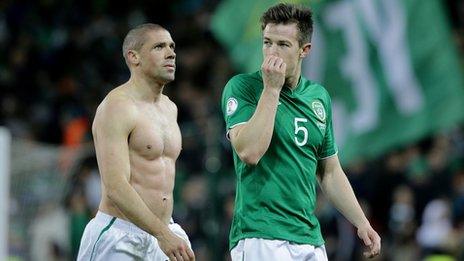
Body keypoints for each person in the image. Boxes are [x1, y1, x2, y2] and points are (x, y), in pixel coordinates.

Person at [221, 4, 381, 260]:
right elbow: (249, 152)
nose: (271, 52)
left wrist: (361, 222)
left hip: (309, 237)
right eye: (267, 42)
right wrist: (271, 90)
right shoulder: (243, 88)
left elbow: (329, 170)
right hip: (260, 234)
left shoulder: (318, 98)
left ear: (304, 50)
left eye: (283, 45)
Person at [77, 23, 195, 261]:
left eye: (172, 46)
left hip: (163, 232)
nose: (171, 53)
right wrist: (163, 234)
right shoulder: (116, 107)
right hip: (119, 233)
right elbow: (115, 187)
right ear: (134, 57)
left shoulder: (170, 108)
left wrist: (165, 232)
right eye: (159, 47)